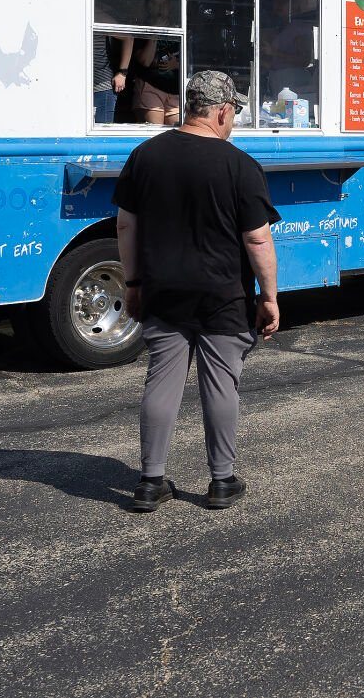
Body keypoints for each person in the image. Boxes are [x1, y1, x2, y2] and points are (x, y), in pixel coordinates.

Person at [115, 71, 281, 511]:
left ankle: (151, 482)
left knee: (161, 382)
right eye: (235, 114)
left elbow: (126, 224)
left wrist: (132, 283)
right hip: (222, 293)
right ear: (222, 111)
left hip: (163, 290)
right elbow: (258, 240)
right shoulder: (239, 165)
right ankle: (221, 481)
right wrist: (269, 297)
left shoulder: (145, 155)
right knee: (221, 385)